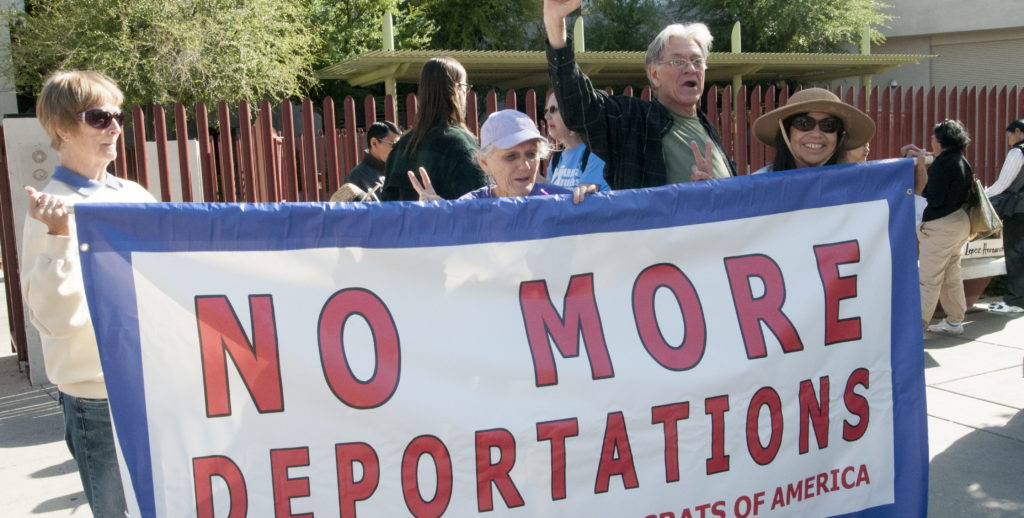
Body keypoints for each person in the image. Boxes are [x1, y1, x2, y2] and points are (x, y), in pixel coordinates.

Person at [21, 70, 156, 516]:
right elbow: (53, 319)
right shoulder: (51, 206)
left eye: (117, 115)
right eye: (99, 117)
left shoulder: (135, 195)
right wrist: (59, 235)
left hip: (155, 384)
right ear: (62, 127)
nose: (115, 127)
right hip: (99, 399)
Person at [542, 0, 735, 189]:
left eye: (697, 61)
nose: (690, 69)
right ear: (654, 74)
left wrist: (709, 195)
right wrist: (555, 24)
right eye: (677, 62)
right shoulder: (635, 120)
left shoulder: (706, 127)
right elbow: (581, 106)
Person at [380, 57, 487, 201]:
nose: (466, 94)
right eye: (465, 87)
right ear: (457, 89)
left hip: (407, 224)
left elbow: (387, 209)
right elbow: (484, 205)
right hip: (450, 223)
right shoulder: (460, 144)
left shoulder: (401, 146)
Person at [408, 110, 575, 201]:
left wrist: (591, 199)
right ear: (484, 163)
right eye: (511, 156)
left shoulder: (562, 201)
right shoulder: (470, 207)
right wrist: (439, 219)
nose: (525, 166)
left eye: (531, 154)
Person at [914, 120, 974, 335]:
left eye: (932, 137)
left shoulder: (942, 164)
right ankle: (955, 321)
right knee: (951, 275)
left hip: (939, 227)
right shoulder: (960, 160)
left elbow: (933, 198)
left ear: (940, 141)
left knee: (928, 279)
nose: (931, 141)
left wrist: (920, 172)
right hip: (959, 222)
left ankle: (917, 327)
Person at [751, 88, 875, 173]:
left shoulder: (859, 187)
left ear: (839, 136)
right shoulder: (756, 188)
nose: (816, 134)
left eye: (828, 125)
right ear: (786, 132)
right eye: (804, 123)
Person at [984, 119, 1024, 313]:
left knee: (1015, 253)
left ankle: (1014, 301)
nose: (1008, 139)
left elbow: (1003, 184)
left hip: (1018, 210)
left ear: (1018, 132)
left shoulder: (1018, 152)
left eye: (1009, 135)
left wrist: (982, 195)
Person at [543, 91, 610, 192]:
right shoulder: (556, 158)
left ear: (575, 113)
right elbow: (549, 198)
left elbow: (583, 201)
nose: (546, 116)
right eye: (546, 111)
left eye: (553, 110)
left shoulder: (597, 153)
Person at [344, 121, 400, 193]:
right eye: (393, 144)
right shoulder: (355, 178)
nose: (397, 150)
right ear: (374, 143)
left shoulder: (397, 172)